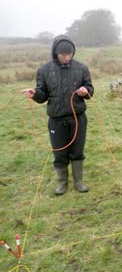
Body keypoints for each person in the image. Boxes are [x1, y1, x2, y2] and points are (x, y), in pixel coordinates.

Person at [22, 35, 94, 195]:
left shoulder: (82, 69)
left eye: (70, 54)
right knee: (59, 152)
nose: (67, 57)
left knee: (77, 150)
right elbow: (42, 95)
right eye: (63, 55)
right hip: (56, 120)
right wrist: (34, 94)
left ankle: (78, 182)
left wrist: (85, 91)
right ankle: (62, 183)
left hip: (78, 118)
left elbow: (90, 89)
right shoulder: (44, 70)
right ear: (55, 53)